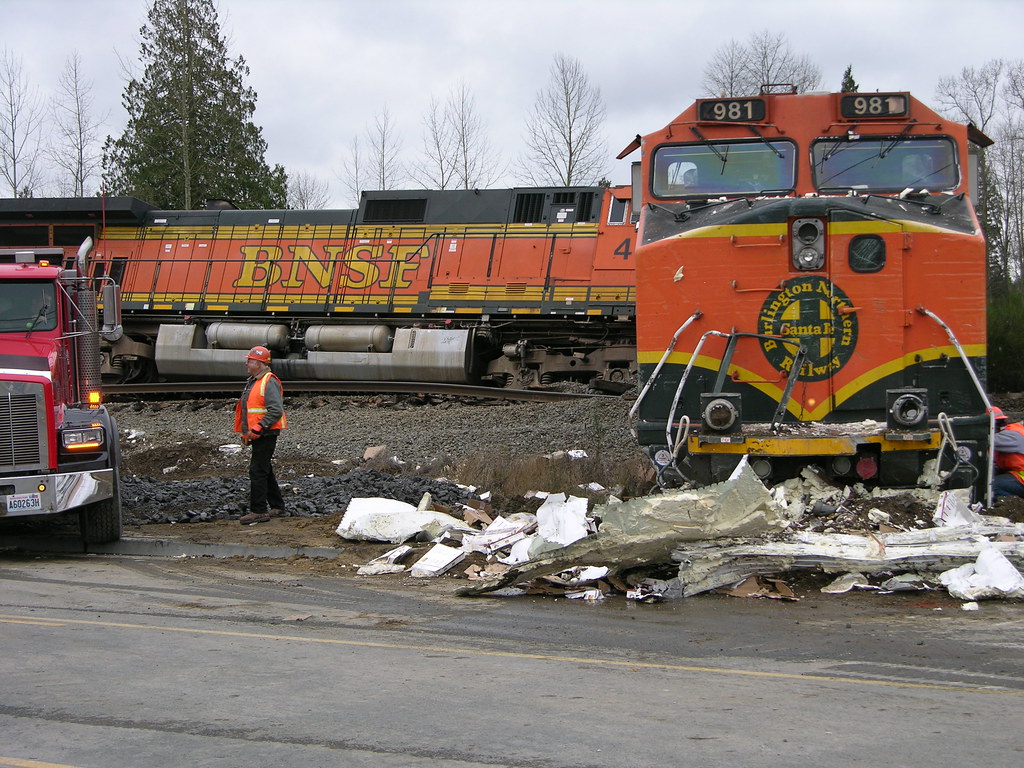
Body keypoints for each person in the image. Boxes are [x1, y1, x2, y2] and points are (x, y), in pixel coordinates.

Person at [234, 345, 288, 523]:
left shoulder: (267, 381)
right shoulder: (255, 381)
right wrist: (246, 432)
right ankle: (277, 506)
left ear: (258, 363)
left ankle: (259, 510)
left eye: (249, 361)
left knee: (257, 470)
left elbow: (275, 410)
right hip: (260, 432)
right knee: (265, 468)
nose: (247, 364)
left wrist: (258, 428)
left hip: (266, 433)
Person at [991, 406, 1024, 498]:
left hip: (1022, 476)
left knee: (991, 487)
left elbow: (987, 441)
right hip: (1019, 473)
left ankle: (1014, 504)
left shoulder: (1011, 436)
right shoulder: (1012, 431)